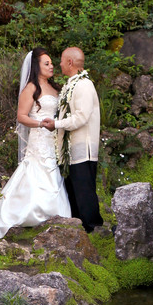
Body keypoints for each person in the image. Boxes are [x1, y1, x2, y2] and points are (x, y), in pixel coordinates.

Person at [0, 47, 71, 239]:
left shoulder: (55, 87)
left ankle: (57, 216)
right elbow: (21, 116)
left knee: (54, 173)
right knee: (38, 171)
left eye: (51, 63)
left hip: (54, 139)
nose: (51, 66)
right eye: (47, 63)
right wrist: (40, 124)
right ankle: (25, 214)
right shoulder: (31, 88)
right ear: (36, 66)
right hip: (40, 138)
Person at [41, 46, 103, 232]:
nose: (58, 64)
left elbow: (81, 118)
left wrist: (56, 124)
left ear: (69, 62)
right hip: (71, 150)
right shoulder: (71, 84)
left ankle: (95, 229)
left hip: (83, 150)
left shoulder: (84, 85)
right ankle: (80, 230)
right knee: (75, 193)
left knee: (85, 193)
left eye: (61, 60)